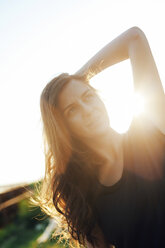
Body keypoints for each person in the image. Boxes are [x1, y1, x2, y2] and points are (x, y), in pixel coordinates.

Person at [33, 27, 165, 248]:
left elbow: (134, 38)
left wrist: (79, 77)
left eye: (88, 96)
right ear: (64, 129)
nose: (88, 109)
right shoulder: (83, 193)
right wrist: (77, 86)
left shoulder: (148, 132)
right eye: (72, 110)